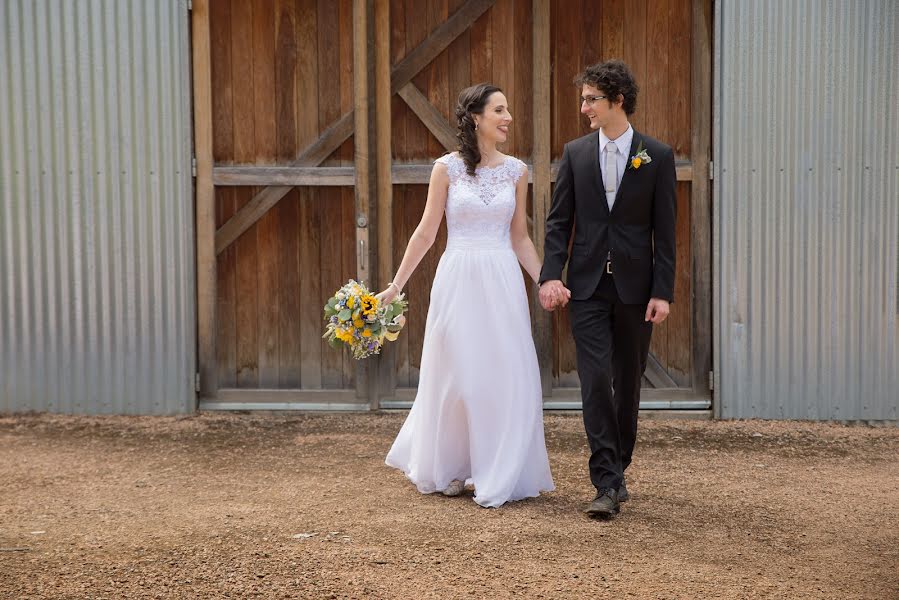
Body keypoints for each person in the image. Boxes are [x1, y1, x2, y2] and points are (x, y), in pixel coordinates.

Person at [380, 83, 554, 508]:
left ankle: (494, 467)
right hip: (458, 276)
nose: (508, 117)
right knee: (457, 372)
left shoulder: (517, 171)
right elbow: (426, 232)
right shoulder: (446, 169)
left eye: (508, 108)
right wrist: (396, 285)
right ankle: (452, 466)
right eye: (499, 109)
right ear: (476, 117)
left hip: (500, 279)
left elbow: (521, 239)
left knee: (502, 372)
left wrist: (545, 280)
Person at [539, 60, 676, 518]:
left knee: (627, 385)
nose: (584, 108)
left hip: (638, 291)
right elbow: (559, 222)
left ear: (618, 101)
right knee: (595, 379)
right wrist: (551, 274)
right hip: (587, 286)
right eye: (583, 99)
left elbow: (666, 231)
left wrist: (663, 291)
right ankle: (606, 481)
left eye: (591, 99)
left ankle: (618, 469)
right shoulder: (575, 153)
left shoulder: (657, 155)